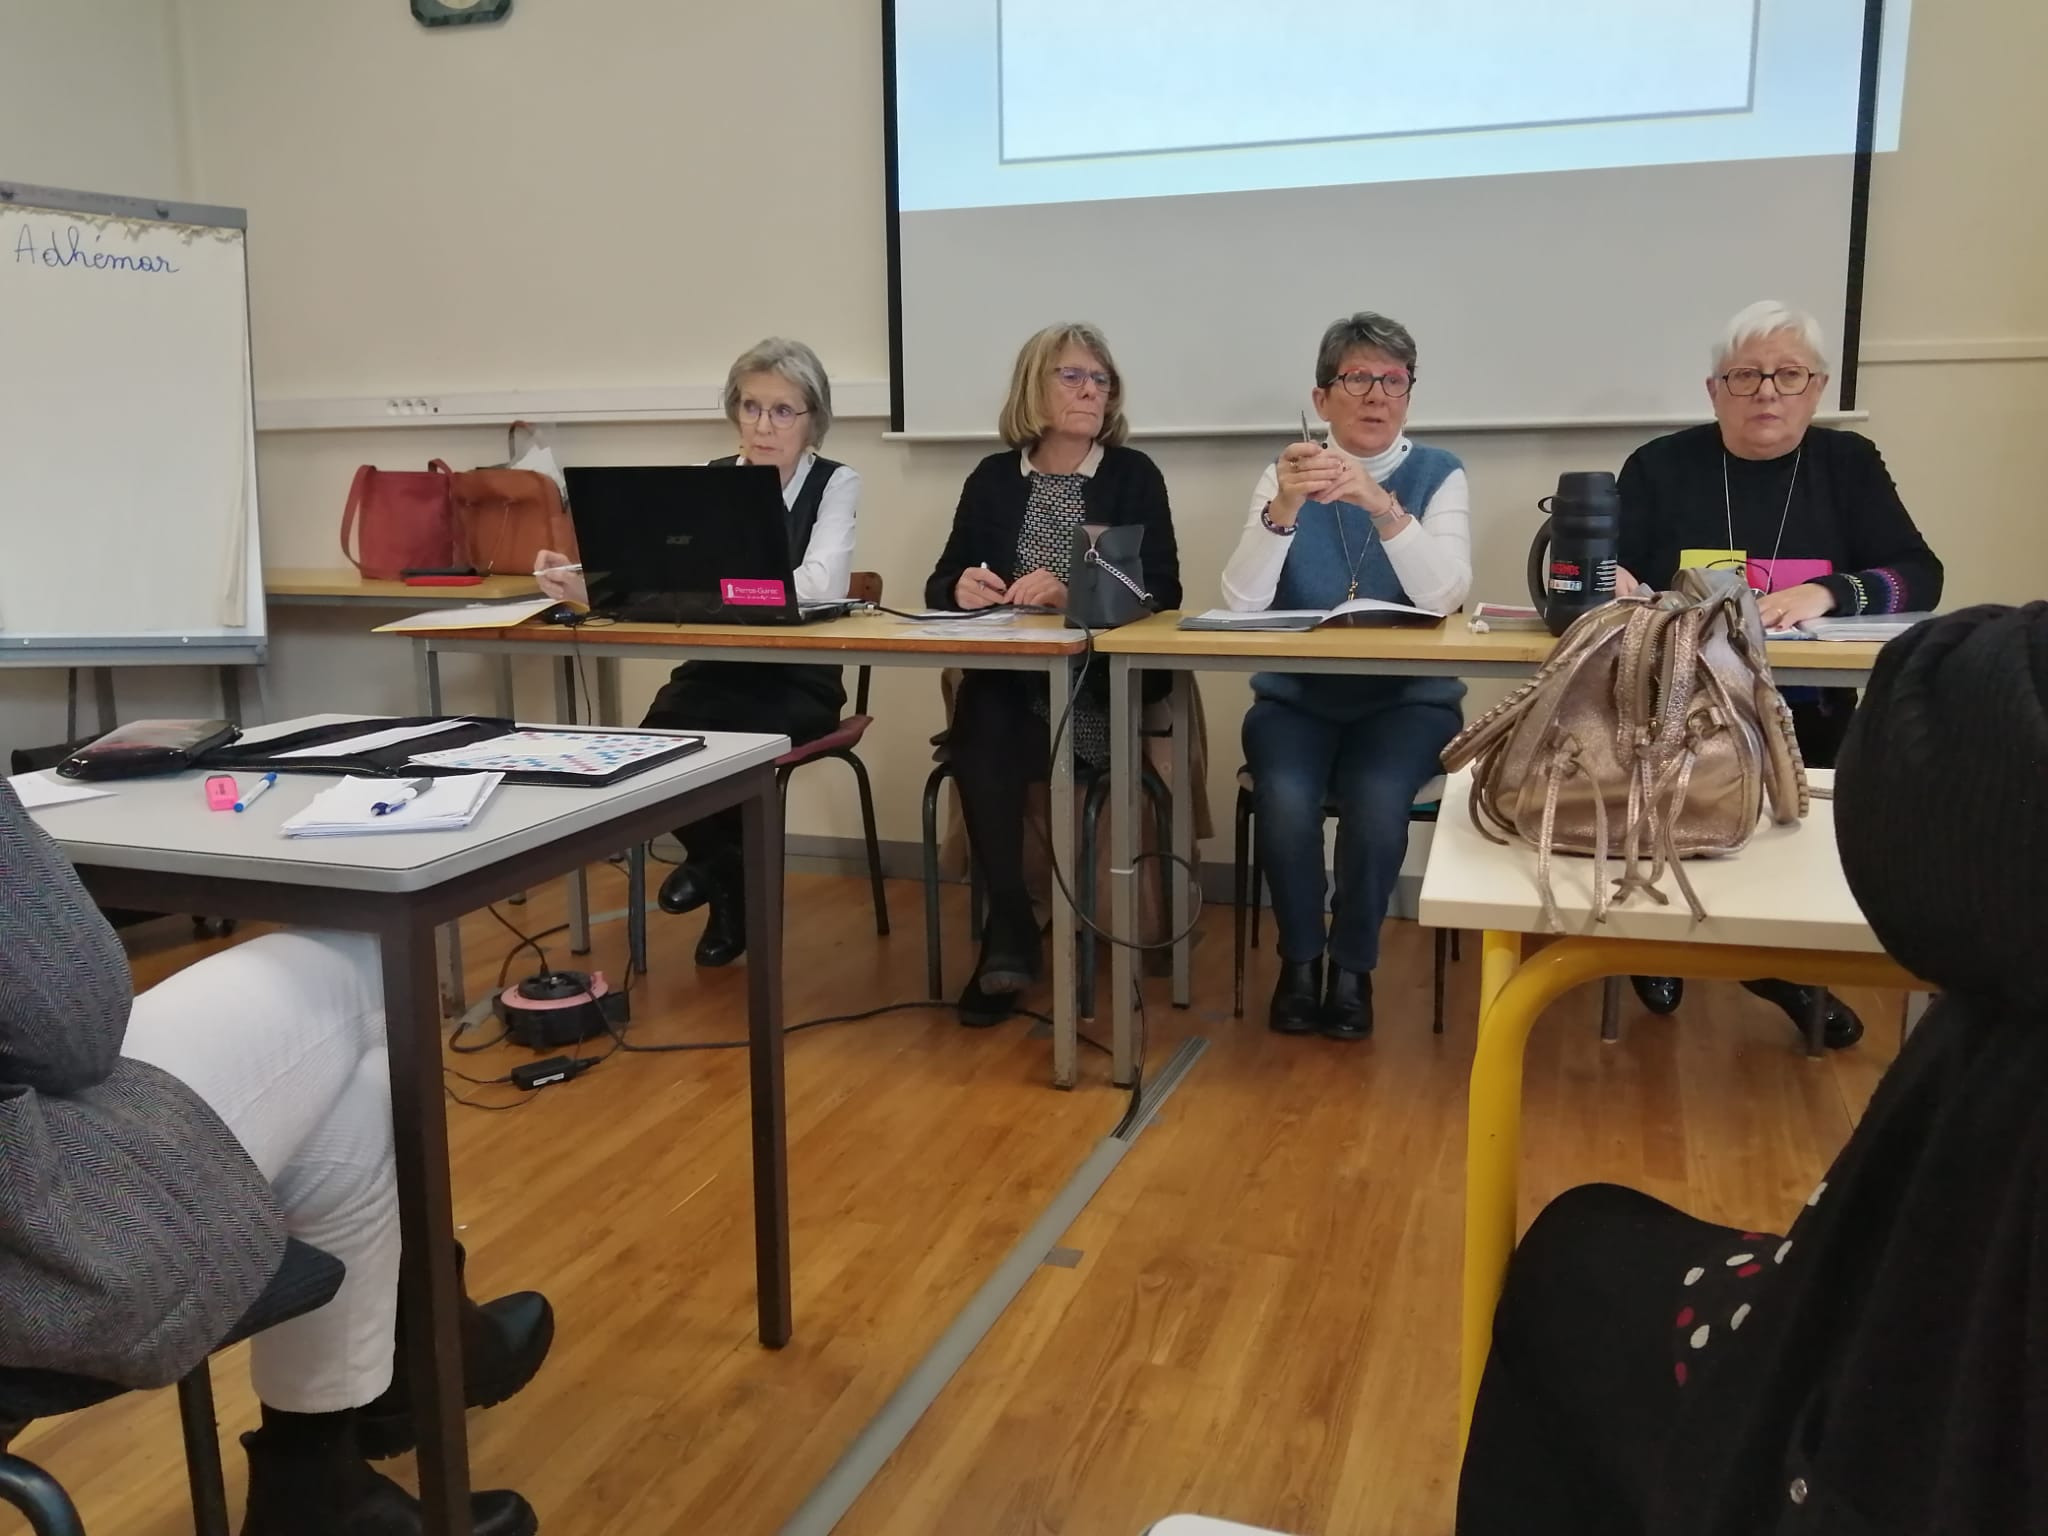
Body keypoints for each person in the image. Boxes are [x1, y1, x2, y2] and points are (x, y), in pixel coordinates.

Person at [1457, 602, 2048, 1536]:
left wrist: (1837, 590)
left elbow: (1933, 718)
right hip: (1957, 1293)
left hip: (1934, 1393)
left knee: (1579, 1257)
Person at [0, 783, 552, 1535]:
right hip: (33, 1246)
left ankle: (335, 1449)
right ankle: (415, 1356)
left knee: (352, 1089)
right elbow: (71, 1018)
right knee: (365, 960)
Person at [1616, 301, 1943, 1045]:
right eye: (1746, 376)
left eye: (1788, 375)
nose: (1767, 391)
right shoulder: (1659, 466)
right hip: (1679, 703)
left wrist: (1830, 592)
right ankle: (1656, 941)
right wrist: (1617, 581)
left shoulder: (1846, 464)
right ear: (1715, 390)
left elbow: (1919, 574)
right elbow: (1613, 569)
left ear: (1817, 388)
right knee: (1656, 785)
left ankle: (1781, 966)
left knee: (1820, 811)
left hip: (1808, 709)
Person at [537, 337, 860, 968]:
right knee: (653, 750)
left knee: (729, 752)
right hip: (713, 672)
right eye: (751, 407)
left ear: (812, 420)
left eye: (782, 411)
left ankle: (721, 882)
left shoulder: (835, 482)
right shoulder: (709, 480)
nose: (763, 426)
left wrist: (718, 586)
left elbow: (823, 585)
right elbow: (659, 574)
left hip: (797, 682)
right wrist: (581, 581)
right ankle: (726, 868)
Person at [1220, 312, 1472, 1039]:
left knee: (1376, 798)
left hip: (1409, 703)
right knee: (1285, 797)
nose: (1377, 395)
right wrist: (1285, 507)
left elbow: (1445, 596)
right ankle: (1301, 961)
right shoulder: (1284, 474)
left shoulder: (1439, 473)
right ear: (1322, 397)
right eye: (1358, 378)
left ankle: (1354, 967)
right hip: (1297, 699)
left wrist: (1379, 504)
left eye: (1394, 381)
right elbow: (1240, 602)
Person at [923, 322, 1181, 1025]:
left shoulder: (1132, 476)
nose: (1091, 391)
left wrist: (1075, 593)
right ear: (1034, 388)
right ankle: (1011, 923)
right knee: (983, 722)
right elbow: (941, 579)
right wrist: (960, 589)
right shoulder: (992, 478)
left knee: (982, 732)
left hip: (1094, 692)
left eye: (1101, 379)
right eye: (1073, 376)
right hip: (1007, 688)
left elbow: (1163, 591)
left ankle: (1010, 934)